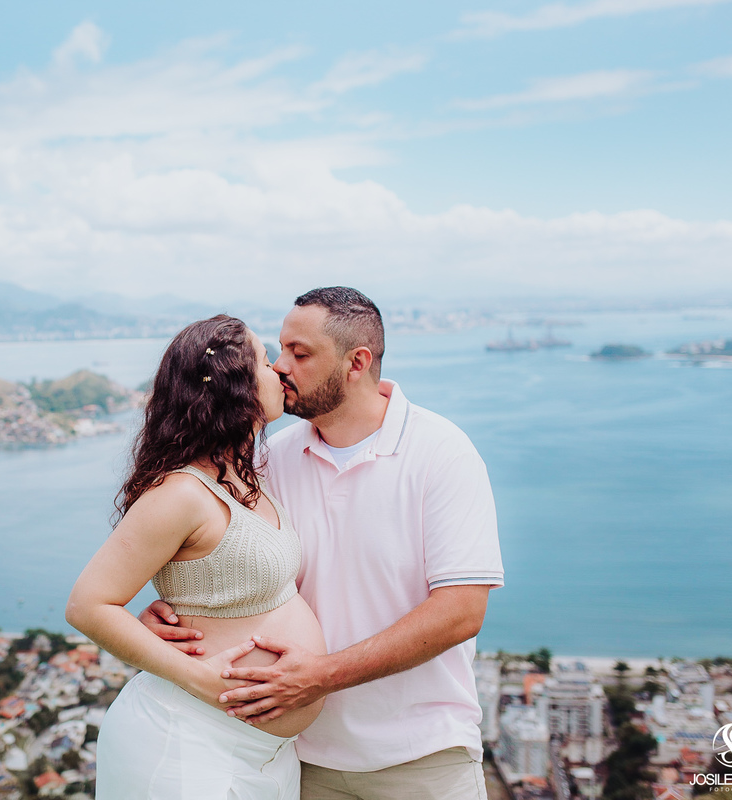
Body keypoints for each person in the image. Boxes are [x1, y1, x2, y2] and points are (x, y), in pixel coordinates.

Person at [143, 287, 505, 800]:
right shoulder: (270, 460)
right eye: (281, 349)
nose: (279, 367)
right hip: (296, 757)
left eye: (300, 353)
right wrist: (176, 613)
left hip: (421, 759)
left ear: (357, 362)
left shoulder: (442, 453)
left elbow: (460, 612)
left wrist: (319, 676)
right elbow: (237, 569)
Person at [66, 314, 327, 800]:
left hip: (262, 754)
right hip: (187, 739)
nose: (280, 371)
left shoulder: (246, 477)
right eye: (266, 361)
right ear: (238, 386)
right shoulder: (183, 492)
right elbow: (87, 605)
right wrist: (203, 680)